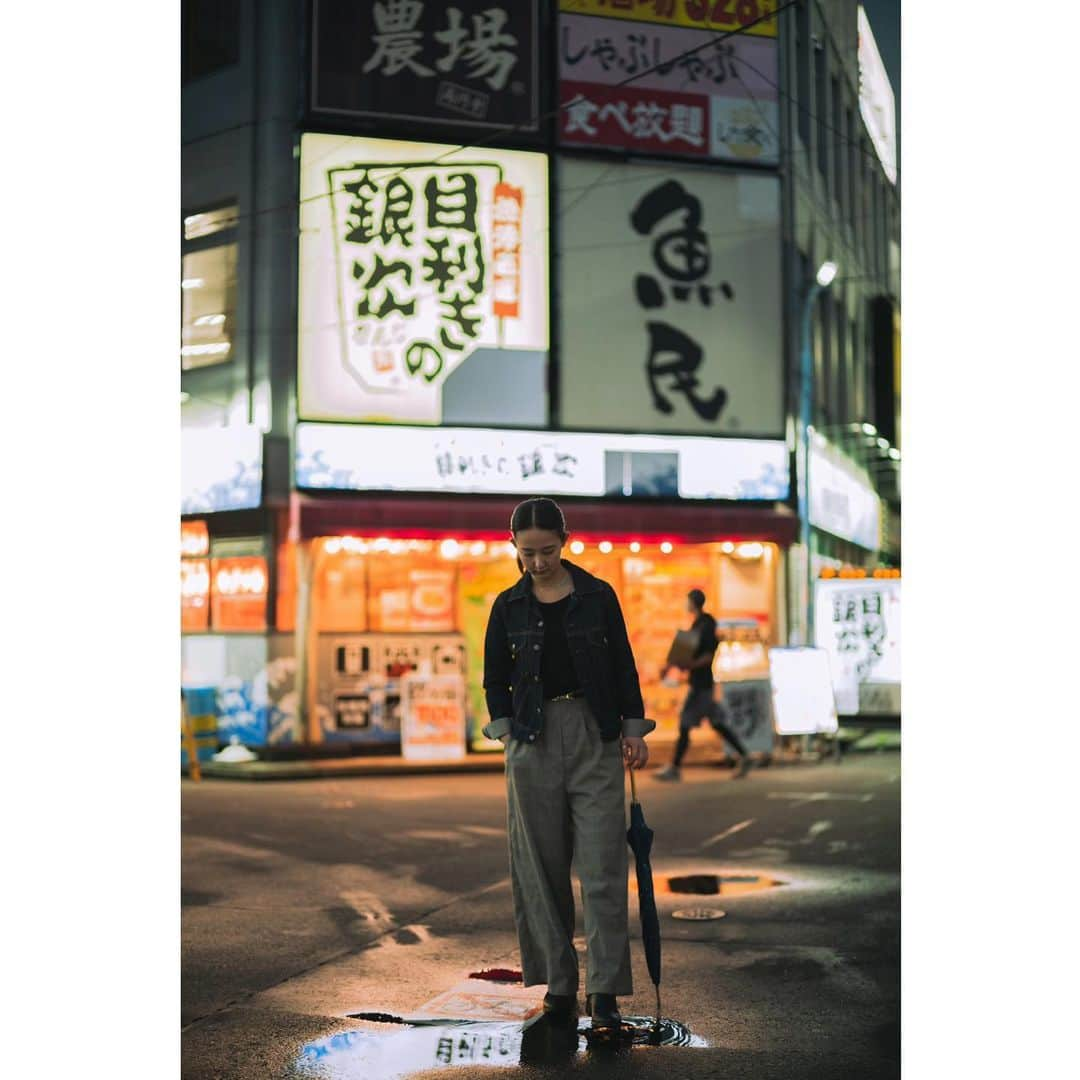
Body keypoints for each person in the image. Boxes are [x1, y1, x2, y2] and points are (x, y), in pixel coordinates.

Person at [482, 497, 654, 1034]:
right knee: (540, 868)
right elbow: (494, 677)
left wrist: (633, 728)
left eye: (547, 550)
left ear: (566, 540)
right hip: (531, 740)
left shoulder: (598, 596)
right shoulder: (507, 605)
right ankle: (559, 986)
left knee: (604, 867)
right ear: (514, 547)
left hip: (594, 732)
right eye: (527, 553)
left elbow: (622, 663)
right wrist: (505, 729)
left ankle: (603, 993)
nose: (537, 563)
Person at [654, 589, 752, 782]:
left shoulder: (705, 625)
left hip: (701, 685)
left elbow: (706, 656)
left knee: (685, 724)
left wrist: (685, 665)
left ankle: (675, 766)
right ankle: (744, 755)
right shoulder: (700, 624)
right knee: (716, 723)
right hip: (701, 683)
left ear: (692, 602)